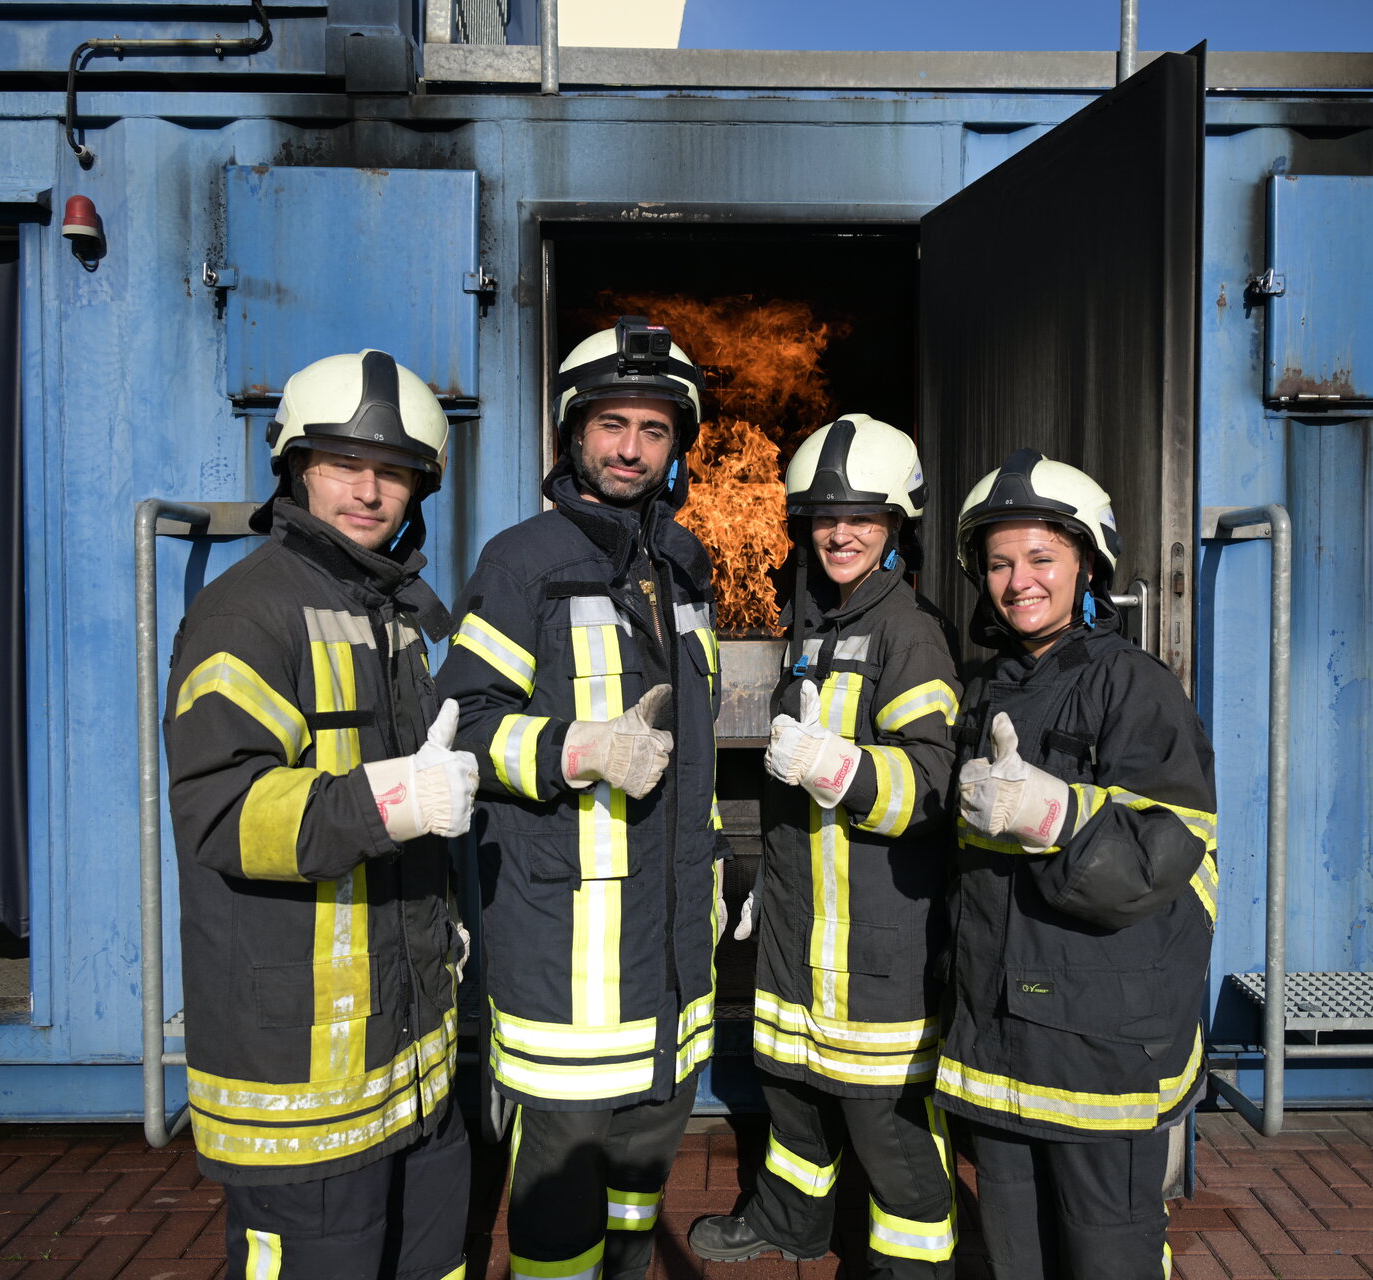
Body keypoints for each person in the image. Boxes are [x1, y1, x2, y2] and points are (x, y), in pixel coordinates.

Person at [163, 349, 480, 1279]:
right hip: (299, 1079)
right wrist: (393, 801)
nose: (370, 491)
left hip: (411, 1064)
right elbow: (220, 813)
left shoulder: (392, 615)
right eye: (346, 464)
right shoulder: (246, 614)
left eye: (394, 472)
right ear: (297, 467)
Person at [432, 317, 722, 1280]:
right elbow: (462, 729)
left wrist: (714, 871)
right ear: (574, 432)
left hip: (672, 961)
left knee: (643, 1177)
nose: (631, 448)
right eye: (612, 424)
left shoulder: (685, 563)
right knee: (558, 1200)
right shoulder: (521, 564)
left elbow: (698, 754)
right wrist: (579, 748)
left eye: (653, 429)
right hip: (570, 958)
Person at [689, 415, 962, 1275]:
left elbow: (929, 788)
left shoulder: (909, 632)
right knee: (794, 1094)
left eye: (864, 517)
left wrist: (839, 767)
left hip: (879, 933)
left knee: (886, 1121)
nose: (841, 533)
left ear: (896, 528)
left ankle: (911, 1264)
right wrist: (771, 878)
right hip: (803, 924)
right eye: (824, 516)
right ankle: (791, 1224)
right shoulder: (820, 626)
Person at [941, 448, 1217, 1280]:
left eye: (1040, 559)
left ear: (1087, 564)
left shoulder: (1136, 687)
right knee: (1016, 1258)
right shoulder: (984, 689)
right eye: (998, 563)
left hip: (1100, 1045)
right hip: (1000, 1042)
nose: (1018, 580)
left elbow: (1162, 850)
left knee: (1108, 1257)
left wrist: (1055, 814)